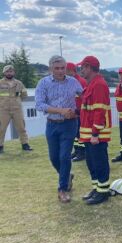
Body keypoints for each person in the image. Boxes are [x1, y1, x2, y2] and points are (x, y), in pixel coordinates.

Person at [35, 56, 83, 203]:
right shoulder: (43, 83)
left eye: (63, 68)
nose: (61, 71)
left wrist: (77, 111)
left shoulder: (73, 82)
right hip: (52, 124)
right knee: (54, 157)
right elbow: (39, 105)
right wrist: (60, 110)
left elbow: (84, 95)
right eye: (57, 68)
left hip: (70, 124)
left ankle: (62, 189)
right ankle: (67, 176)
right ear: (51, 69)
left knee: (64, 156)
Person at [78, 56, 112, 205]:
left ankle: (103, 192)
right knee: (91, 163)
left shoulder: (98, 84)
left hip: (95, 135)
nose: (81, 70)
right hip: (88, 134)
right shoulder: (91, 84)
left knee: (99, 163)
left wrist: (95, 134)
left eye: (82, 68)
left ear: (89, 67)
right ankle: (96, 188)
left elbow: (99, 111)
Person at [0, 65, 32, 153]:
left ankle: (25, 145)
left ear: (14, 72)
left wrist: (16, 101)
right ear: (4, 73)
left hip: (17, 109)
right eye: (7, 71)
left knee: (21, 128)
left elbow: (24, 94)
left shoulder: (19, 83)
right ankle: (0, 146)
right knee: (1, 129)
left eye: (11, 71)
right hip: (3, 110)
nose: (9, 73)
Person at [66, 62, 88, 162]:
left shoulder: (81, 81)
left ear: (72, 71)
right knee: (75, 134)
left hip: (80, 112)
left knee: (80, 133)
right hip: (73, 113)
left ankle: (82, 153)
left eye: (66, 70)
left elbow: (85, 98)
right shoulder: (69, 81)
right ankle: (77, 150)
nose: (64, 72)